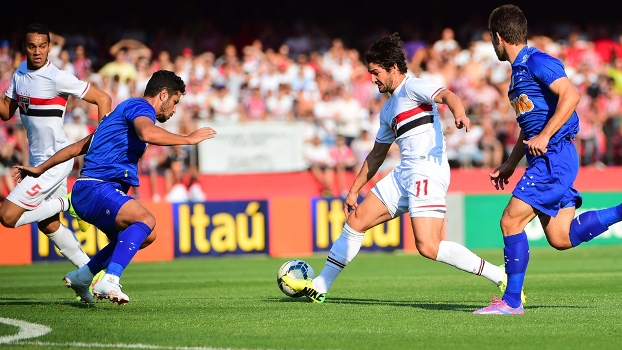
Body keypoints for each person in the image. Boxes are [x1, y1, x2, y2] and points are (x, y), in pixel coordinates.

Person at [282, 33, 521, 304]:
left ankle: (500, 275)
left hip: (427, 172)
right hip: (404, 173)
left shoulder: (413, 87)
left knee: (428, 246)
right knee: (356, 220)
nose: (372, 79)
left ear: (393, 68)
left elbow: (447, 95)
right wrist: (353, 191)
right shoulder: (388, 109)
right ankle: (321, 286)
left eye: (375, 72)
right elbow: (376, 156)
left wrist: (460, 113)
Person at [13, 70, 217, 304]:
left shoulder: (117, 118)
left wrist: (40, 168)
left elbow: (76, 148)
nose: (174, 110)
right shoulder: (141, 109)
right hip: (96, 188)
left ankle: (83, 275)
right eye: (175, 102)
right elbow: (147, 132)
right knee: (147, 219)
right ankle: (110, 279)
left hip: (90, 191)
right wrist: (188, 139)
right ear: (163, 95)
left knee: (147, 235)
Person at [473, 4, 622, 315]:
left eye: (491, 36)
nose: (491, 42)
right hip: (547, 156)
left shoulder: (537, 61)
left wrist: (545, 136)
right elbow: (530, 127)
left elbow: (571, 96)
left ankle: (512, 301)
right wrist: (512, 162)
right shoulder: (518, 74)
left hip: (554, 156)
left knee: (510, 220)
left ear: (499, 37)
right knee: (560, 237)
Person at [0, 23, 111, 269]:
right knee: (48, 224)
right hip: (38, 160)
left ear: (50, 47)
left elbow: (103, 98)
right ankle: (90, 276)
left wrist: (102, 143)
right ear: (24, 48)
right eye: (32, 46)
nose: (37, 51)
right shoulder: (19, 73)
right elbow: (7, 112)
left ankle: (68, 202)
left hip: (54, 161)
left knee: (7, 216)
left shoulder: (57, 77)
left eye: (42, 46)